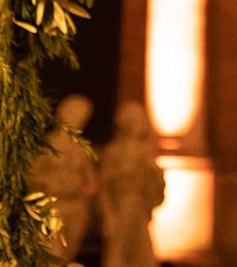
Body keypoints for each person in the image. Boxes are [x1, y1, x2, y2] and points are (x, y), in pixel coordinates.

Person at [31, 94, 98, 265]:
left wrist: (86, 190)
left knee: (69, 251)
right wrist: (47, 183)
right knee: (54, 251)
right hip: (53, 204)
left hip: (75, 207)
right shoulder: (48, 144)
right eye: (75, 114)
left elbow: (90, 179)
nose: (79, 120)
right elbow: (32, 173)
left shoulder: (81, 149)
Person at [98, 102, 165, 267]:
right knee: (118, 247)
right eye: (136, 121)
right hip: (121, 205)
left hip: (139, 206)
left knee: (141, 248)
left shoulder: (145, 152)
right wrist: (108, 214)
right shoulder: (114, 151)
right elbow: (103, 186)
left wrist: (154, 173)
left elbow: (155, 181)